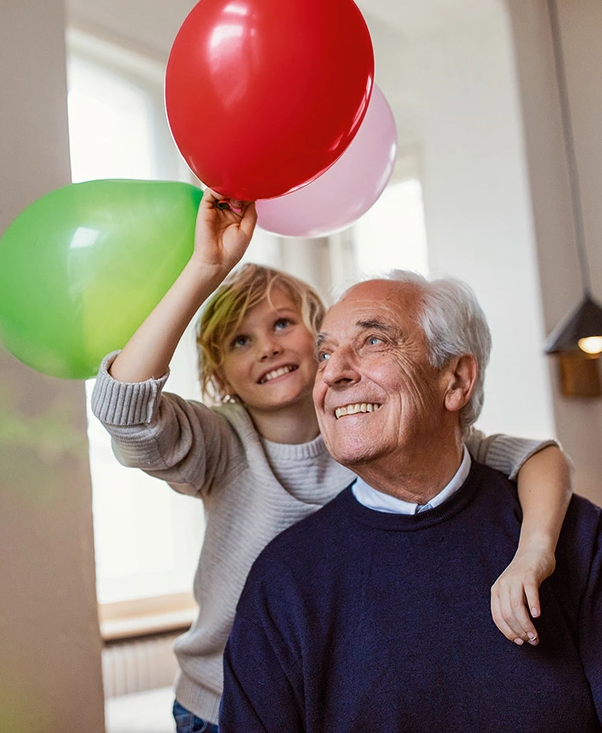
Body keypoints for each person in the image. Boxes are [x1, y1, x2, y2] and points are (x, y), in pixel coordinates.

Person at [91, 191, 573, 732]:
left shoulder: (377, 437)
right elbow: (124, 411)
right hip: (220, 700)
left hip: (328, 681)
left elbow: (537, 457)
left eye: (281, 324)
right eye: (240, 341)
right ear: (221, 377)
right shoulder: (221, 442)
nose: (267, 348)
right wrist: (205, 267)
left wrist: (534, 550)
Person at [220, 272, 602, 733]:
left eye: (373, 341)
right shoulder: (283, 579)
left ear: (456, 379)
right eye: (324, 354)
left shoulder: (578, 538)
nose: (334, 373)